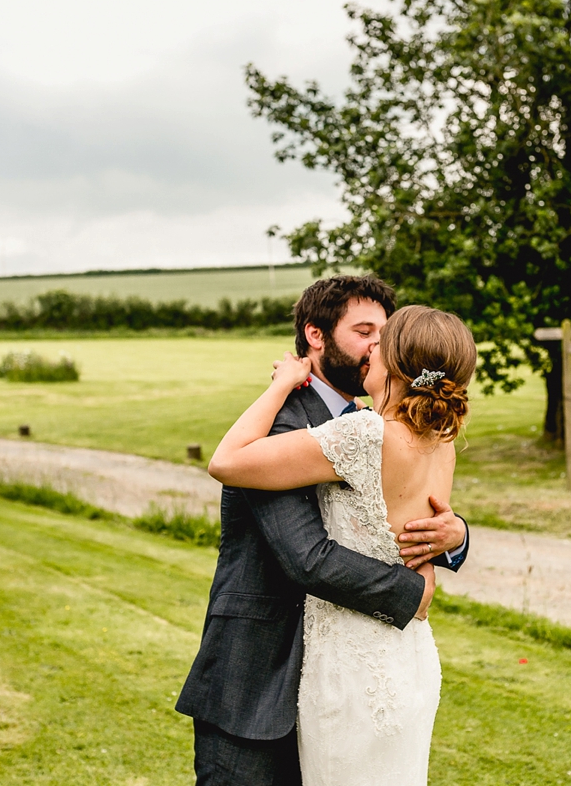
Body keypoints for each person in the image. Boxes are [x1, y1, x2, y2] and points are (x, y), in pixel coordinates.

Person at [176, 276, 470, 786]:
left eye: (385, 335)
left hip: (349, 677)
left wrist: (457, 534)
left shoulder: (376, 424)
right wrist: (412, 589)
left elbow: (410, 516)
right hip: (259, 680)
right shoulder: (282, 423)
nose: (375, 346)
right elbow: (306, 556)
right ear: (316, 336)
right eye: (364, 332)